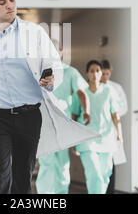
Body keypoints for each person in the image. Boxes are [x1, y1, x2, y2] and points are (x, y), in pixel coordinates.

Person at [0, 0, 98, 194]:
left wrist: (51, 80)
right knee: (0, 174)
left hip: (29, 115)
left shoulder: (35, 33)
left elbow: (54, 65)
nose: (10, 5)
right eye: (2, 2)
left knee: (22, 175)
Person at [35, 42, 90, 194]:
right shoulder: (38, 71)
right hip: (44, 123)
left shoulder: (70, 72)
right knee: (47, 161)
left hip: (63, 123)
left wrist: (86, 111)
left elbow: (82, 92)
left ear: (60, 51)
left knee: (63, 163)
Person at [70, 60, 123, 194]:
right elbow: (74, 117)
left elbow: (115, 115)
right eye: (92, 71)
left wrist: (119, 134)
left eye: (98, 70)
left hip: (107, 139)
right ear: (87, 74)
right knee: (95, 175)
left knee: (105, 175)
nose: (95, 73)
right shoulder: (81, 93)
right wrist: (72, 141)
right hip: (87, 140)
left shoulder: (109, 91)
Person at [101, 59, 128, 194]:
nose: (105, 77)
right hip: (99, 130)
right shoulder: (93, 87)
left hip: (111, 128)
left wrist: (112, 113)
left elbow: (124, 107)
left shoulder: (116, 88)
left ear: (110, 72)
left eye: (107, 74)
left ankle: (109, 191)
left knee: (111, 164)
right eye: (103, 73)